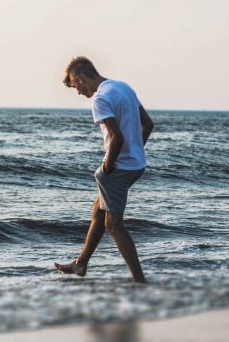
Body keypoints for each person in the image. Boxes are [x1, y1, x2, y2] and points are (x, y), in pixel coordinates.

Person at [55, 56, 154, 283]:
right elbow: (148, 124)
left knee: (114, 225)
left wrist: (108, 168)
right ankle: (80, 264)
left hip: (119, 167)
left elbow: (117, 138)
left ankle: (139, 281)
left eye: (75, 87)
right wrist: (136, 150)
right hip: (135, 164)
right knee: (98, 209)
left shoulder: (100, 98)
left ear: (80, 79)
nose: (78, 92)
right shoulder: (123, 87)